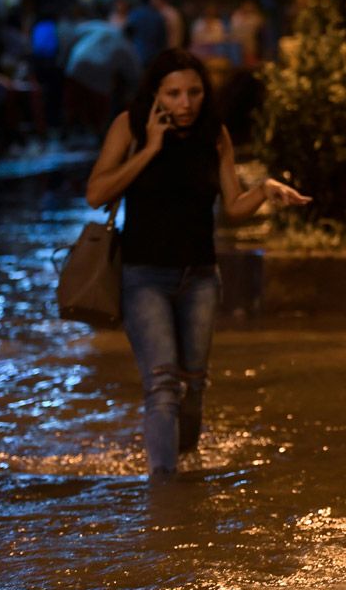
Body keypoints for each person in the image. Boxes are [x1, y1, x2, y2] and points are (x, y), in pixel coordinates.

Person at [85, 49, 310, 476]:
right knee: (163, 384)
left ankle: (183, 466)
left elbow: (233, 206)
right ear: (155, 94)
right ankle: (164, 486)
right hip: (143, 276)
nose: (185, 103)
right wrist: (150, 149)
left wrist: (264, 189)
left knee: (193, 383)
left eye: (194, 92)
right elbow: (96, 194)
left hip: (201, 278)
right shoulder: (129, 126)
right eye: (173, 94)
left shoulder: (214, 134)